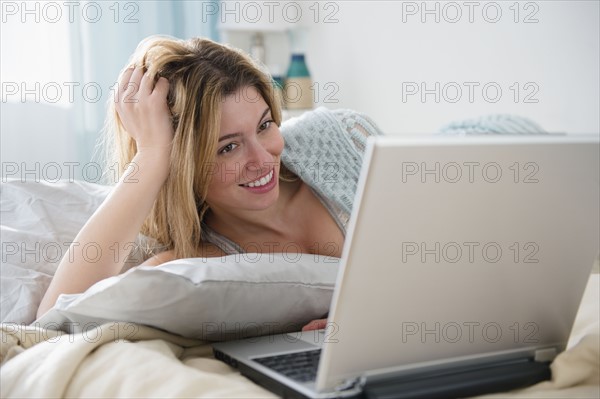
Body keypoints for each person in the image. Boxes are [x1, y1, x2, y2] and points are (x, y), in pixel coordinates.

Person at [36, 35, 383, 321]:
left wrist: (371, 315)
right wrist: (153, 153)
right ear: (182, 166)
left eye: (264, 126)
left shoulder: (348, 140)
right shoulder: (199, 261)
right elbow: (56, 318)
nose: (262, 160)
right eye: (228, 148)